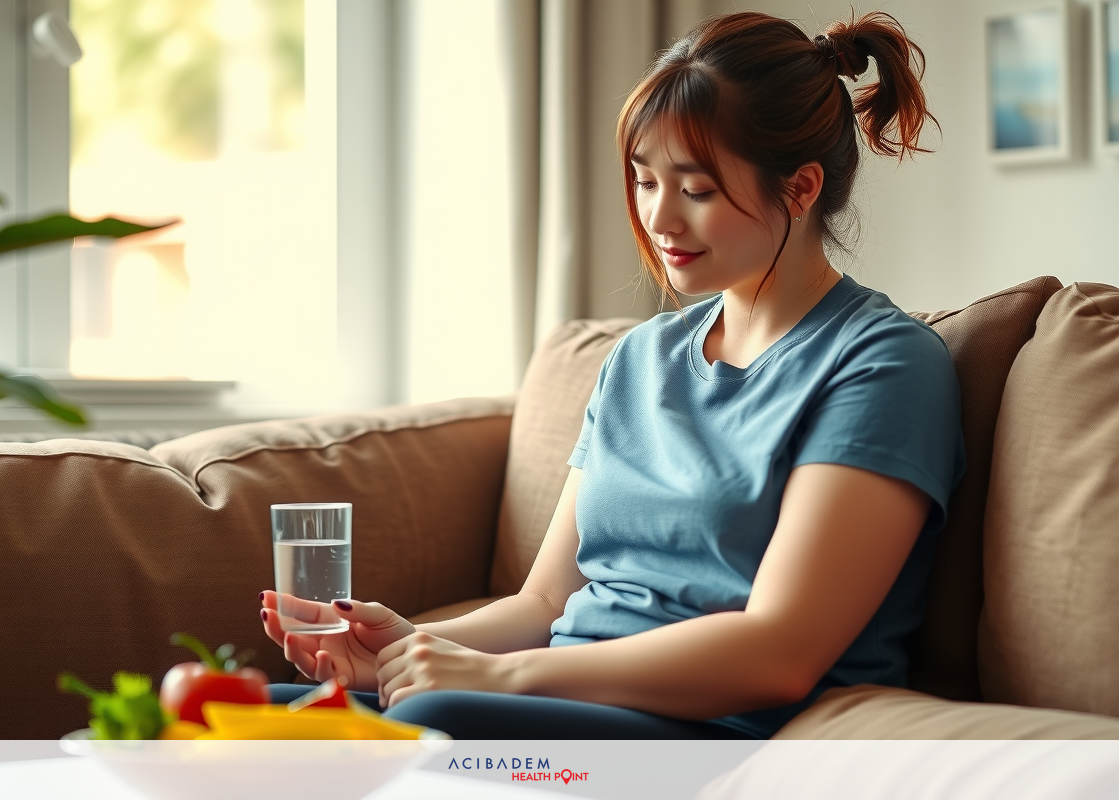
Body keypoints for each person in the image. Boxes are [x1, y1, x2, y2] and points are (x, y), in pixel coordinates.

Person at [260, 9, 965, 740]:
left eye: (694, 189)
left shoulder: (881, 364)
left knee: (418, 729)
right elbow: (544, 606)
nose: (660, 218)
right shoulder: (639, 358)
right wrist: (407, 648)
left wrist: (499, 678)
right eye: (643, 180)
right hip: (553, 698)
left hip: (705, 728)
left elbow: (779, 651)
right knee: (244, 711)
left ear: (801, 187)